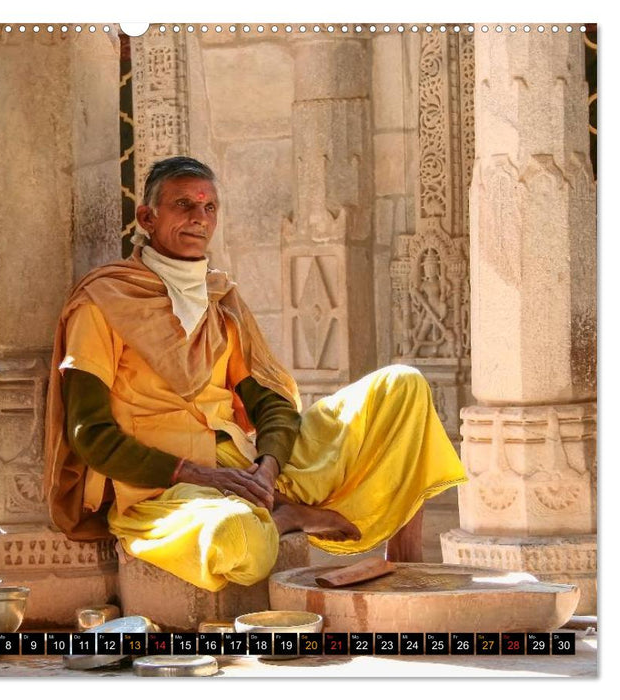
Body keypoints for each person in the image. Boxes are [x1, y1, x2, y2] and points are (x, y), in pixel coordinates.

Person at [43, 156, 467, 593]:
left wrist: (267, 468)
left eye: (209, 208)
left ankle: (404, 562)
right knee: (238, 538)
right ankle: (279, 518)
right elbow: (90, 435)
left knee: (403, 385)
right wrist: (202, 475)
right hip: (165, 491)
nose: (198, 218)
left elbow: (270, 403)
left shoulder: (219, 297)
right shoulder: (102, 302)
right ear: (147, 217)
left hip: (246, 467)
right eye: (184, 205)